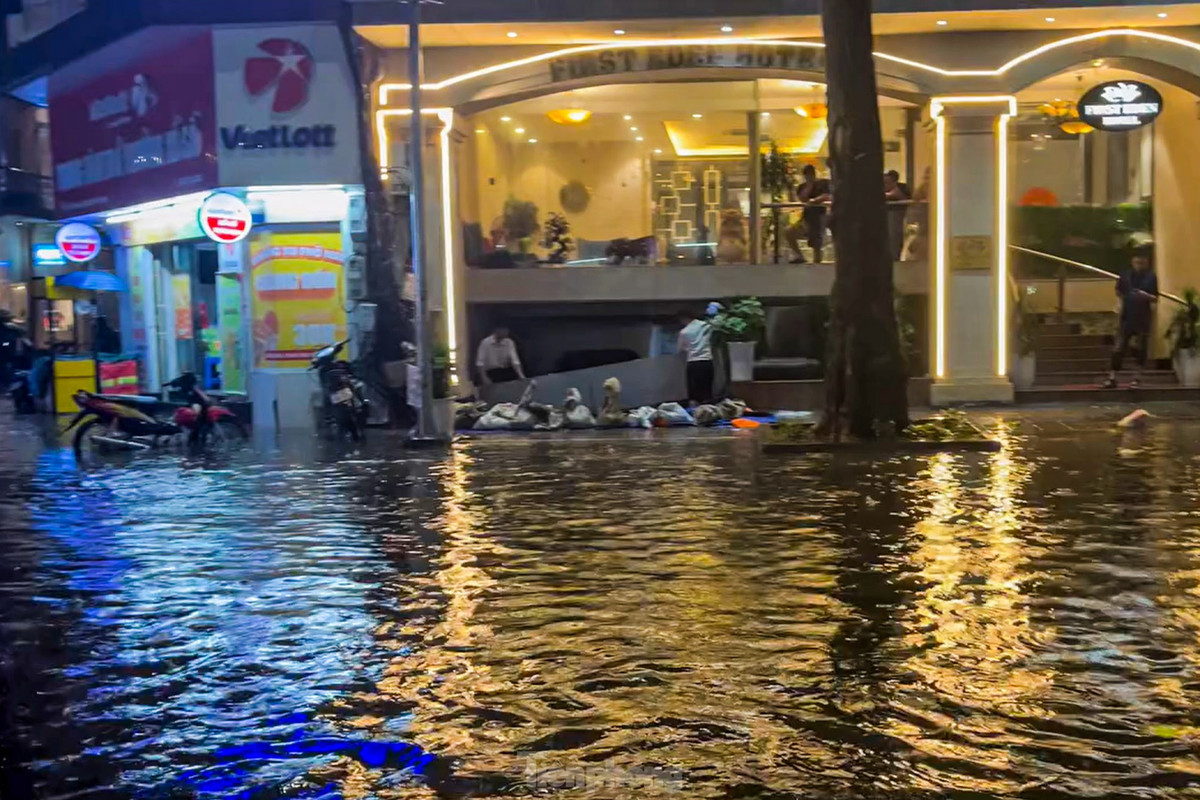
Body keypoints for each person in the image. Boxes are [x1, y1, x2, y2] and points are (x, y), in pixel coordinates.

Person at [1103, 244, 1158, 389]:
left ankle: (1137, 378)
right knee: (1118, 348)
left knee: (1140, 349)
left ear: (1146, 261)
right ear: (1133, 261)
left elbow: (1155, 297)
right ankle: (1112, 377)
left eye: (1142, 261)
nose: (1139, 263)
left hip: (1143, 317)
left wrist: (1145, 296)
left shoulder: (1151, 276)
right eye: (1137, 261)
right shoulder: (1125, 275)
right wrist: (1119, 305)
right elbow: (1119, 292)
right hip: (1126, 316)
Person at [786, 164, 832, 264]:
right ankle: (800, 255)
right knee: (789, 231)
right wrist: (809, 185)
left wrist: (814, 201)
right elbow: (802, 198)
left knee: (817, 240)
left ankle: (817, 262)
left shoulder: (823, 183)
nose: (810, 176)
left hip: (820, 216)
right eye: (807, 175)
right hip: (807, 217)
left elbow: (827, 196)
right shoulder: (802, 186)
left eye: (811, 174)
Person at [678, 308, 715, 405]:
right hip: (707, 361)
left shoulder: (684, 332)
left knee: (694, 392)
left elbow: (682, 348)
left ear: (684, 319)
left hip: (693, 362)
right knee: (707, 390)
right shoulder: (706, 326)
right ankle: (709, 410)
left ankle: (695, 412)